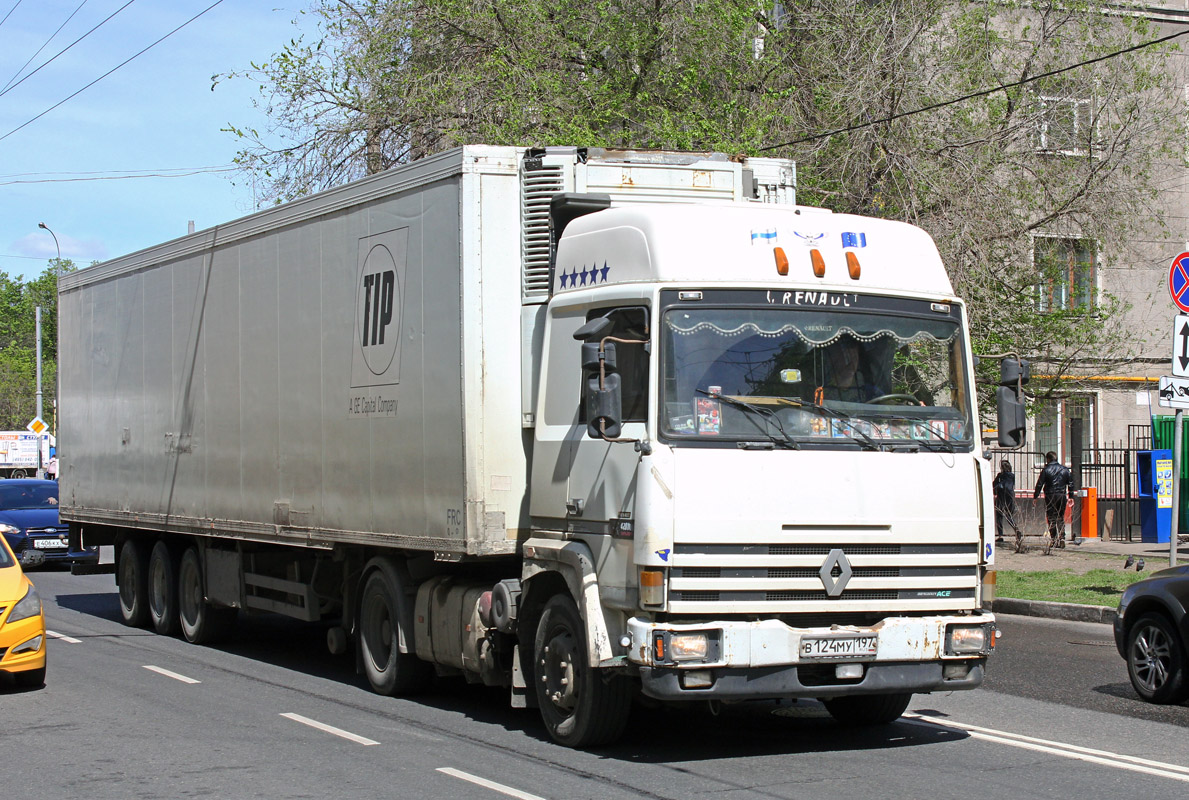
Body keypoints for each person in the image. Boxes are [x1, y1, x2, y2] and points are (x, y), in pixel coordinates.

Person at [1034, 451, 1074, 547]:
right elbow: (1071, 483)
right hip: (1061, 495)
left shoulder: (1046, 470)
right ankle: (1061, 538)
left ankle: (1054, 538)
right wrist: (1071, 496)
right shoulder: (1064, 469)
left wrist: (1035, 496)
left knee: (1051, 518)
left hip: (1050, 495)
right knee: (1060, 517)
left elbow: (1040, 484)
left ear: (1048, 459)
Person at [992, 459, 1023, 542]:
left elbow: (994, 484)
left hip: (1001, 497)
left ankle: (1000, 535)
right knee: (1009, 515)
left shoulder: (1000, 476)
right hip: (1010, 497)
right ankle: (1016, 529)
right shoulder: (1012, 476)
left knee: (999, 516)